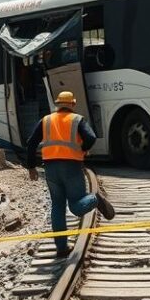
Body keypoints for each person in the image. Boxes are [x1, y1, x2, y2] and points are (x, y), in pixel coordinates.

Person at [26, 90, 115, 258]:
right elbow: (91, 137)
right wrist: (82, 150)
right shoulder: (77, 120)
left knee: (57, 207)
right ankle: (95, 199)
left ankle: (61, 248)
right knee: (76, 207)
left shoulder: (45, 120)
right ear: (73, 104)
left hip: (51, 168)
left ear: (58, 105)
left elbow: (31, 143)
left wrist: (31, 167)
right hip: (72, 167)